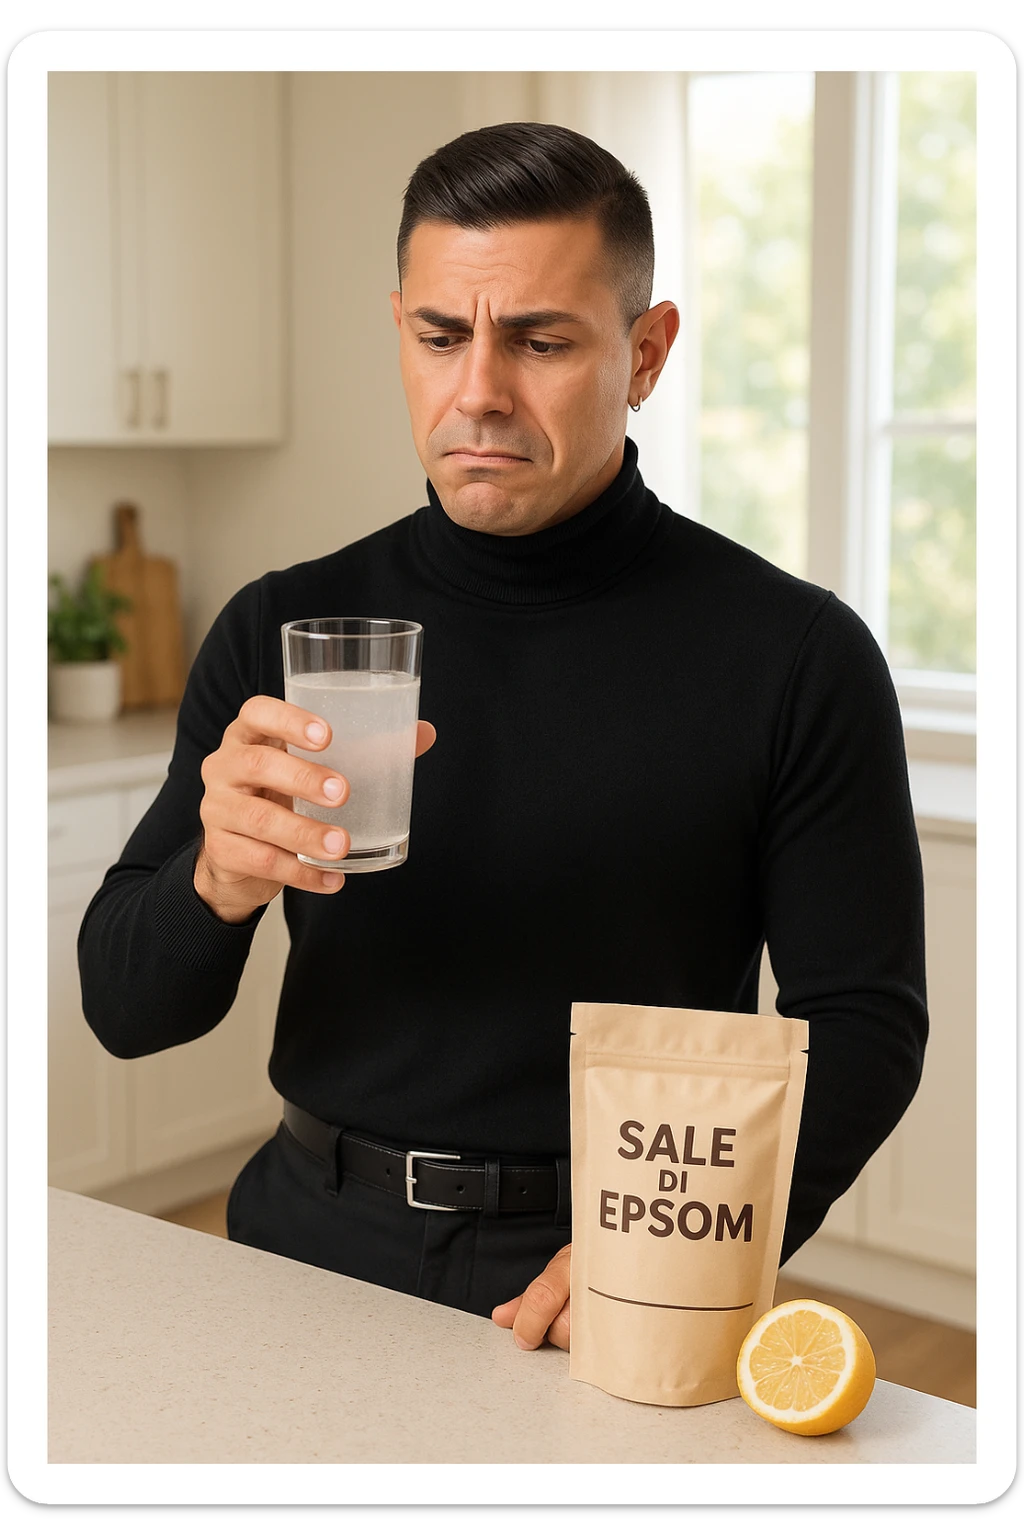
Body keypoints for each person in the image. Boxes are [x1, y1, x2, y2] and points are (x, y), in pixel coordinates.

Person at [78, 121, 928, 1354]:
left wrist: (685, 1238)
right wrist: (215, 879)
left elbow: (862, 1021)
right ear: (402, 332)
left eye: (540, 340)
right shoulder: (280, 627)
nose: (477, 389)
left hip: (613, 1264)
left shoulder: (795, 655)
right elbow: (124, 1007)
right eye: (439, 336)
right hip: (301, 1249)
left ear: (645, 353)